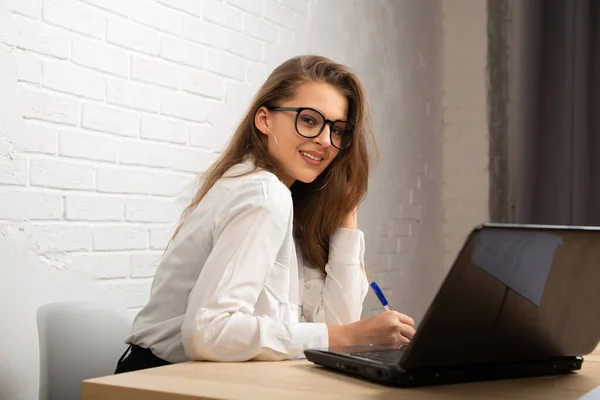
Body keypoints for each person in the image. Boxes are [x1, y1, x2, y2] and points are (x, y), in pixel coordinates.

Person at [115, 55, 416, 374]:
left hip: (204, 378)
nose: (326, 141)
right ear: (264, 120)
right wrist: (346, 335)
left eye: (338, 130)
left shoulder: (289, 201)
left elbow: (335, 329)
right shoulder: (262, 193)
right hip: (160, 381)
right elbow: (207, 332)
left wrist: (347, 212)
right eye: (310, 120)